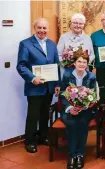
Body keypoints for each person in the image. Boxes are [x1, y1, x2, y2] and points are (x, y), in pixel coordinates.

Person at [16, 18, 60, 154]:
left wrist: (57, 84)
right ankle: (29, 141)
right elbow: (21, 66)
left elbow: (56, 65)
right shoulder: (25, 44)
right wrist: (32, 78)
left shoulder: (52, 44)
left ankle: (43, 136)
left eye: (44, 28)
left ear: (48, 29)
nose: (42, 31)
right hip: (34, 87)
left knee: (45, 114)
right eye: (39, 28)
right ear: (34, 28)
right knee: (33, 115)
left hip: (48, 86)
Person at [60, 53, 96, 169]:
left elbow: (92, 95)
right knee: (71, 124)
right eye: (79, 61)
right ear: (74, 63)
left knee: (82, 124)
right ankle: (72, 155)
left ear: (87, 64)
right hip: (69, 109)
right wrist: (70, 108)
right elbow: (62, 94)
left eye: (84, 62)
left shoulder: (91, 77)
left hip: (85, 109)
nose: (81, 64)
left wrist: (83, 107)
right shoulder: (67, 75)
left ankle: (80, 155)